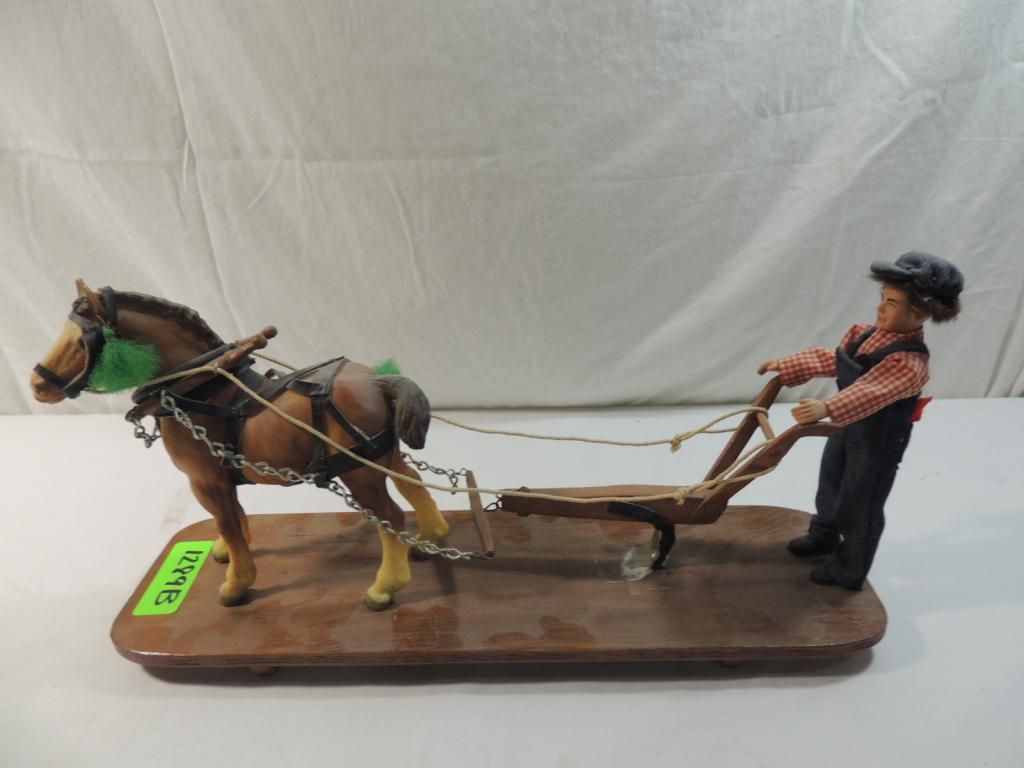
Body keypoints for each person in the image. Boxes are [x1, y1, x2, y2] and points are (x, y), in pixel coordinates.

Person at [758, 252, 964, 590]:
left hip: (878, 440)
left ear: (919, 312)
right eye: (883, 298)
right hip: (847, 425)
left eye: (892, 303)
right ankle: (824, 535)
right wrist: (789, 365)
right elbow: (836, 360)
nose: (881, 308)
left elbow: (871, 391)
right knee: (831, 480)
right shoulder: (865, 335)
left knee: (859, 501)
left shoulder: (909, 363)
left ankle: (849, 568)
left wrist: (826, 407)